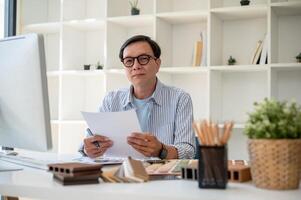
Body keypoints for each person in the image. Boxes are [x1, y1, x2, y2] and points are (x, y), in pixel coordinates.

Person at [79, 35, 195, 159]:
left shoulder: (180, 98)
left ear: (157, 64)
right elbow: (88, 140)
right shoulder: (111, 100)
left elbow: (188, 151)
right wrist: (88, 149)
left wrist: (161, 150)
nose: (136, 66)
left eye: (143, 58)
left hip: (163, 177)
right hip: (120, 175)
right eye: (129, 61)